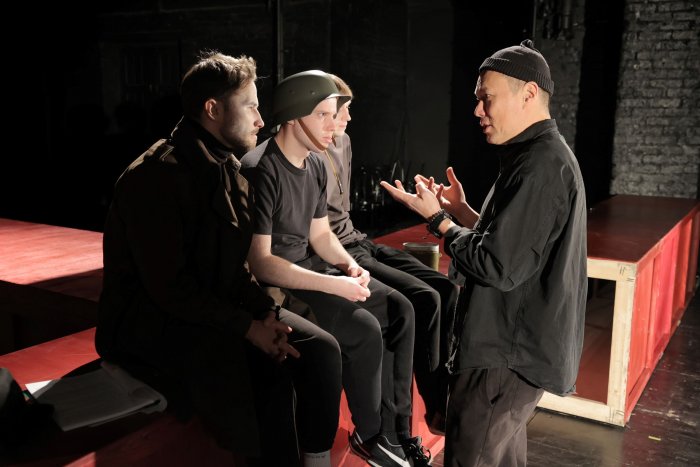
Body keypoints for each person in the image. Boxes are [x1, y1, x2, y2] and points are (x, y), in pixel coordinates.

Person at [96, 52, 343, 467]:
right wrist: (249, 328)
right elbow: (169, 289)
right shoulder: (154, 177)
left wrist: (265, 314)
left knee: (318, 348)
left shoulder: (225, 166)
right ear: (212, 109)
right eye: (250, 106)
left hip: (212, 307)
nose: (261, 120)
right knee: (265, 371)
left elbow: (234, 270)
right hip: (151, 323)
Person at [381, 39, 588, 466]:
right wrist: (463, 213)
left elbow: (497, 264)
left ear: (528, 94)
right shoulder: (538, 157)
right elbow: (515, 245)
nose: (478, 110)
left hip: (504, 356)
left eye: (486, 98)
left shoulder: (540, 165)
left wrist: (439, 220)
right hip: (511, 355)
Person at [242, 70, 418, 467]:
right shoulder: (260, 168)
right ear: (293, 115)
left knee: (397, 308)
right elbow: (262, 263)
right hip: (276, 285)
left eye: (332, 113)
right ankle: (367, 436)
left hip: (309, 269)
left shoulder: (316, 164)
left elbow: (320, 234)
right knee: (363, 329)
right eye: (322, 114)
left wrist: (349, 265)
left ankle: (387, 433)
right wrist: (333, 285)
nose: (332, 124)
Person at [319, 73, 459, 441]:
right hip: (338, 252)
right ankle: (414, 421)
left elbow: (342, 213)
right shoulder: (308, 150)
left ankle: (441, 401)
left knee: (445, 289)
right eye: (342, 110)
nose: (349, 118)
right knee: (421, 299)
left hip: (358, 240)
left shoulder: (343, 142)